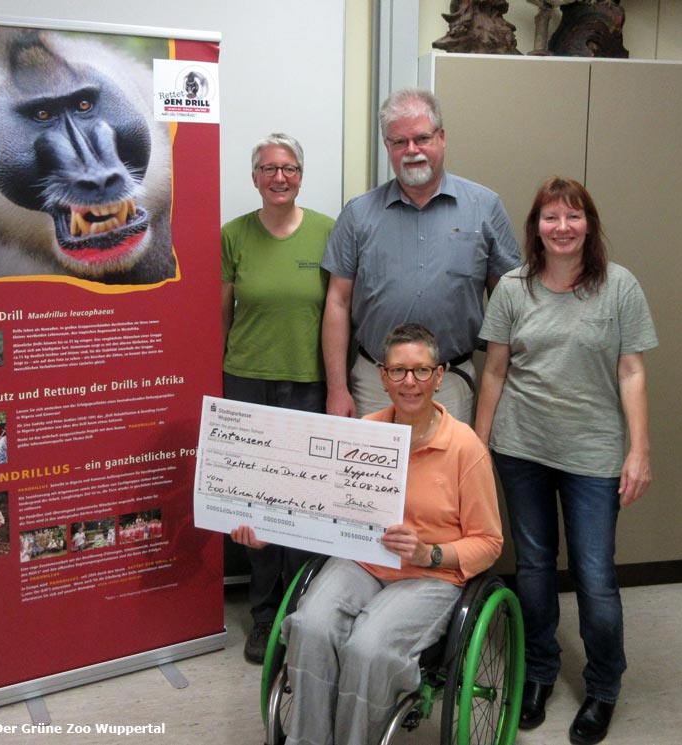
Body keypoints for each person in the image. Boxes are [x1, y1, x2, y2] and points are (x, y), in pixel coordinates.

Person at [233, 323, 503, 744]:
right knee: (309, 625)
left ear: (439, 375)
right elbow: (319, 505)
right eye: (398, 371)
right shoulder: (366, 432)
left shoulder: (465, 448)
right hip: (362, 559)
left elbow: (489, 543)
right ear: (382, 376)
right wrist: (270, 530)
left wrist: (430, 552)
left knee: (368, 648)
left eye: (420, 371)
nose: (409, 382)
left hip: (429, 576)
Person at [474, 177, 658, 745]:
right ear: (535, 228)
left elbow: (631, 371)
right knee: (532, 567)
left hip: (593, 454)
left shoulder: (619, 286)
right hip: (520, 447)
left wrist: (639, 449)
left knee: (595, 577)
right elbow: (496, 371)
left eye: (572, 217)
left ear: (589, 225)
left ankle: (603, 686)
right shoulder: (511, 287)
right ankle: (540, 672)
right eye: (550, 218)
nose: (561, 227)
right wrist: (478, 447)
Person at [321, 87, 520, 424]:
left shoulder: (485, 208)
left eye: (421, 138)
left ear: (441, 137)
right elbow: (337, 303)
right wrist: (337, 389)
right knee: (373, 475)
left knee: (443, 476)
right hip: (375, 381)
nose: (411, 150)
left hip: (451, 381)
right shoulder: (358, 214)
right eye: (399, 142)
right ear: (388, 147)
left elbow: (509, 302)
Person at [221, 132, 336, 664]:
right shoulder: (233, 236)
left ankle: (304, 608)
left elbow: (339, 312)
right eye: (268, 169)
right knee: (257, 503)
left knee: (305, 500)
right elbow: (220, 315)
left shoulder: (326, 232)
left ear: (301, 175)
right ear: (254, 178)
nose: (279, 177)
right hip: (248, 383)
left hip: (307, 384)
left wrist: (336, 387)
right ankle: (264, 614)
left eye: (288, 168)